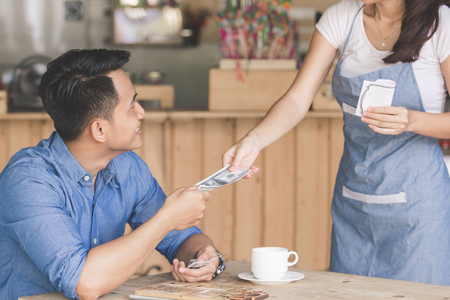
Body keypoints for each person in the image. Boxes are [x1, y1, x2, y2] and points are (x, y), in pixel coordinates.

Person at [223, 0, 450, 285]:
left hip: (419, 211)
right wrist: (253, 140)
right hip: (353, 204)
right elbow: (297, 100)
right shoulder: (342, 17)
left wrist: (412, 121)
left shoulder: (440, 24)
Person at [0, 49, 226, 300]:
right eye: (131, 107)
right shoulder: (27, 181)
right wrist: (168, 217)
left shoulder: (127, 166)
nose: (141, 112)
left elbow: (181, 239)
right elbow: (84, 283)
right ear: (99, 129)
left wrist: (204, 257)